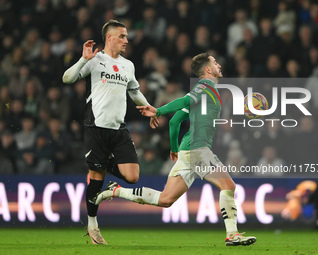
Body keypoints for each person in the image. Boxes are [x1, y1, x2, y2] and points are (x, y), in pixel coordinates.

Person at [94, 52, 257, 246]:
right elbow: (183, 102)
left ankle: (117, 191)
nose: (219, 65)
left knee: (165, 199)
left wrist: (174, 148)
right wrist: (159, 110)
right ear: (207, 69)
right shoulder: (204, 87)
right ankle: (232, 234)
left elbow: (175, 122)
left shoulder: (207, 93)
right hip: (198, 149)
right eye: (215, 62)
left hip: (187, 151)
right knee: (228, 186)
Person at [62, 19, 158, 245]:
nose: (126, 40)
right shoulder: (94, 60)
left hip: (118, 129)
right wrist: (82, 59)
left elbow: (134, 92)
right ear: (109, 38)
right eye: (122, 36)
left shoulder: (128, 65)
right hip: (95, 128)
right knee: (96, 181)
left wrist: (150, 109)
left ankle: (107, 177)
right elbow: (67, 79)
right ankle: (93, 226)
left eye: (126, 36)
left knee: (133, 176)